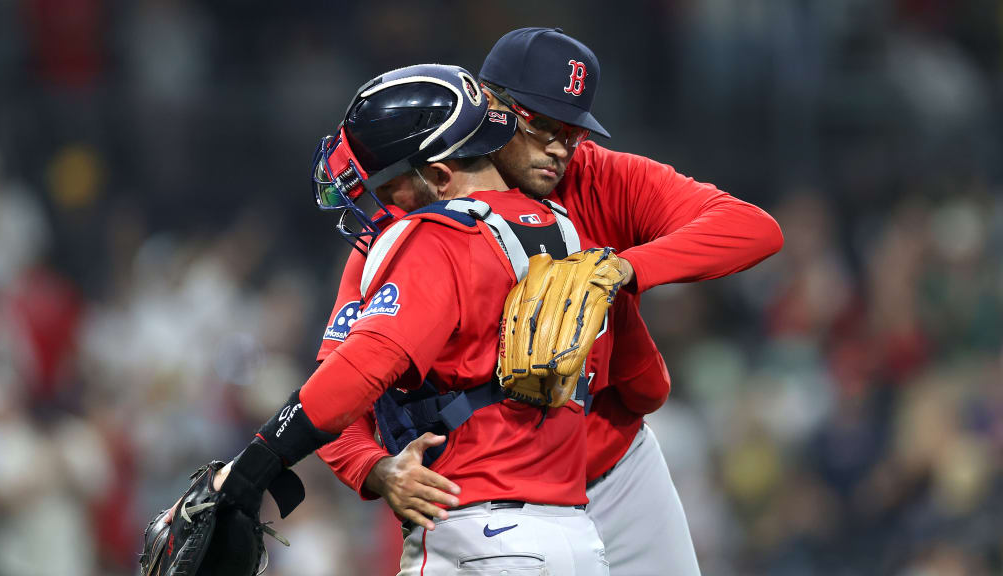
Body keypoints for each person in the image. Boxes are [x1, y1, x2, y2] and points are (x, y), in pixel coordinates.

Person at [317, 28, 784, 576]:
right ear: (489, 108)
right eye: (539, 124)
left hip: (616, 472)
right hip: (491, 505)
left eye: (573, 129)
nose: (559, 146)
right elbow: (341, 380)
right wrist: (373, 468)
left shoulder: (598, 176)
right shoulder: (417, 216)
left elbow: (753, 228)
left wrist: (626, 269)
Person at [208, 63, 625, 575]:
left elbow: (354, 374)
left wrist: (250, 471)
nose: (376, 205)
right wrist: (376, 469)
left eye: (386, 187)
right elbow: (640, 384)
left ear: (440, 175)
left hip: (481, 539)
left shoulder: (440, 237)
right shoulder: (571, 235)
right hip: (579, 541)